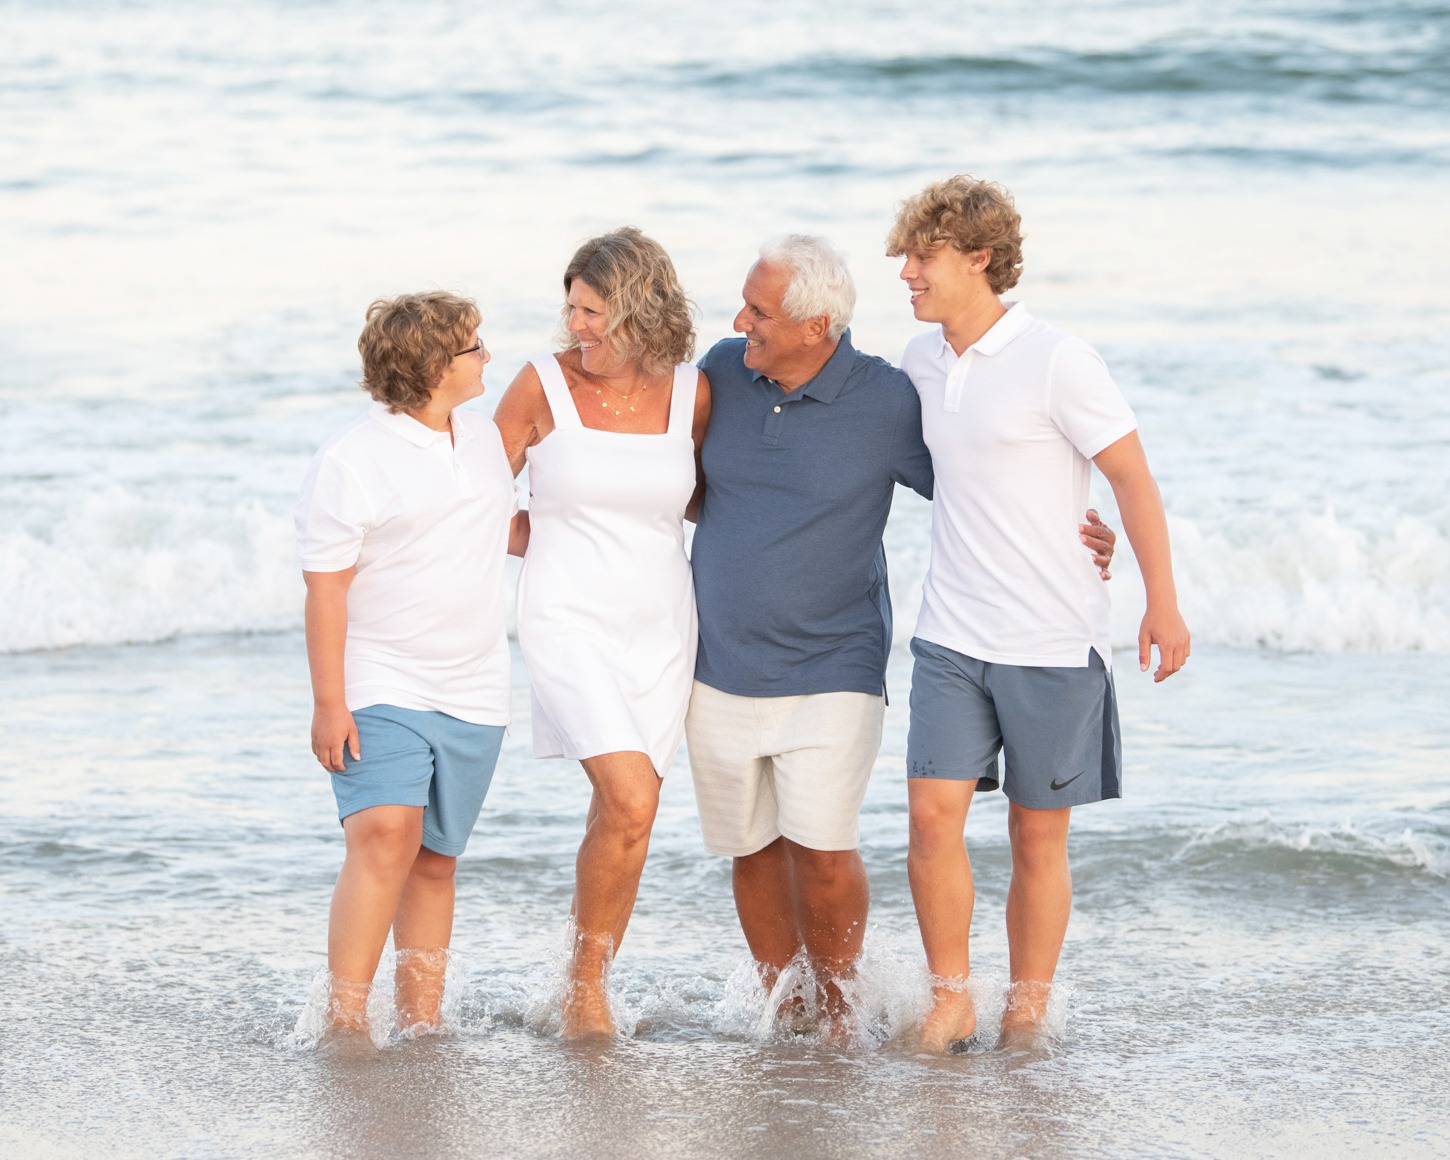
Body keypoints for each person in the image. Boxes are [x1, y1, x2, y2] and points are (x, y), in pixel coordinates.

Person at [687, 236, 1117, 1040]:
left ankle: (844, 1013)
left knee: (820, 848)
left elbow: (980, 483)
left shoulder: (887, 399)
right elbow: (672, 474)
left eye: (762, 311)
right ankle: (788, 1011)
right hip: (718, 661)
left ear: (816, 326)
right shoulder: (723, 370)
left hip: (837, 660)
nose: (741, 321)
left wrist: (1086, 533)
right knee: (749, 849)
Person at [888, 175, 1191, 1052]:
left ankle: (1026, 1008)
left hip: (1050, 636)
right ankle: (953, 998)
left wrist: (1158, 601)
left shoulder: (1058, 359)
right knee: (931, 815)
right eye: (906, 256)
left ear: (979, 259)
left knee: (1035, 833)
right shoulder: (920, 360)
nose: (907, 273)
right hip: (949, 631)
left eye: (924, 257)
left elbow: (1132, 478)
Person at [492, 228, 711, 1039]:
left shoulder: (693, 393)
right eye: (572, 309)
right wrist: (531, 537)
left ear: (642, 310)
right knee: (631, 795)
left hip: (660, 626)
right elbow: (470, 489)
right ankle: (585, 993)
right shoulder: (539, 386)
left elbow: (714, 502)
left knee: (628, 815)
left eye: (595, 312)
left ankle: (583, 975)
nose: (577, 327)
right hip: (566, 618)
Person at [295, 292, 526, 1037]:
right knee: (386, 835)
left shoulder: (484, 439)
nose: (487, 356)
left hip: (477, 683)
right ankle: (346, 1022)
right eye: (473, 347)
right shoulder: (351, 460)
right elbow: (325, 590)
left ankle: (422, 1024)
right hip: (380, 679)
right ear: (433, 365)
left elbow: (498, 528)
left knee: (435, 860)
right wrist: (330, 703)